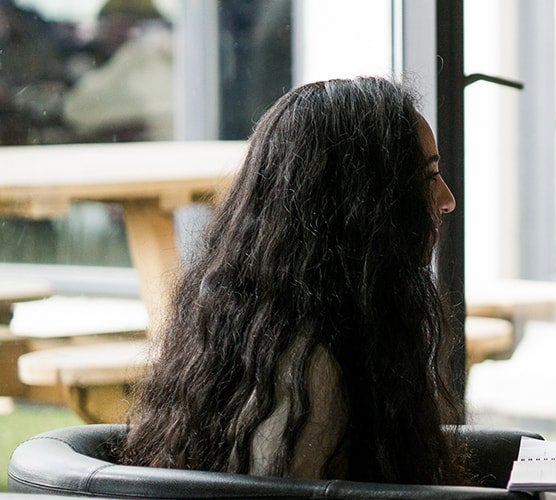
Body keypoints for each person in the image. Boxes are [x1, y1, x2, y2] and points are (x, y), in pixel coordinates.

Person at [123, 77, 466, 484]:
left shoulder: (255, 331)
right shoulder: (310, 370)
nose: (447, 200)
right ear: (362, 203)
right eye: (427, 177)